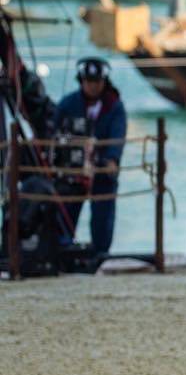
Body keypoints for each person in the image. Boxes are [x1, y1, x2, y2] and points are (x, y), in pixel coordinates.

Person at [53, 56, 126, 258]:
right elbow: (54, 132)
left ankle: (100, 253)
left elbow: (117, 136)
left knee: (103, 217)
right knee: (66, 213)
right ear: (81, 81)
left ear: (104, 82)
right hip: (72, 171)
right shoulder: (68, 104)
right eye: (88, 81)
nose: (93, 86)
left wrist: (112, 159)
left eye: (97, 82)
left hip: (101, 169)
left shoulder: (114, 106)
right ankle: (63, 250)